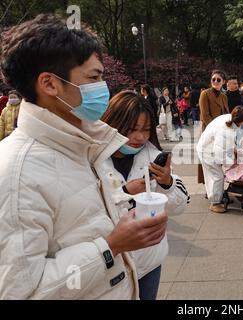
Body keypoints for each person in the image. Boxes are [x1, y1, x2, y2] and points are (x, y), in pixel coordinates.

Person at [0, 14, 168, 299]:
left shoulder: (82, 145)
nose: (102, 87)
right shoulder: (17, 173)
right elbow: (18, 292)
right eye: (93, 77)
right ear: (50, 84)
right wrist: (110, 246)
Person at [101, 90, 189, 300]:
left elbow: (180, 206)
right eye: (132, 129)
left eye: (146, 129)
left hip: (148, 261)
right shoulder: (91, 158)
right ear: (113, 124)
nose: (139, 137)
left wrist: (167, 183)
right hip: (108, 263)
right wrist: (125, 193)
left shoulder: (152, 156)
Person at [197, 106, 243, 213]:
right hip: (208, 151)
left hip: (207, 147)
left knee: (213, 175)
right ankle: (215, 203)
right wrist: (232, 164)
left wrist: (235, 151)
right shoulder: (226, 130)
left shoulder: (229, 119)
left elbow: (227, 144)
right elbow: (221, 151)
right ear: (241, 120)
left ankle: (217, 197)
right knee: (217, 176)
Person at [198, 70, 230, 185]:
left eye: (218, 80)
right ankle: (209, 188)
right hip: (209, 131)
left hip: (222, 132)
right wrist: (216, 131)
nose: (215, 81)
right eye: (213, 79)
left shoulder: (224, 96)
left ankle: (218, 188)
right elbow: (205, 115)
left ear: (223, 82)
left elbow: (227, 114)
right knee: (209, 161)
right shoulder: (205, 94)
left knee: (219, 162)